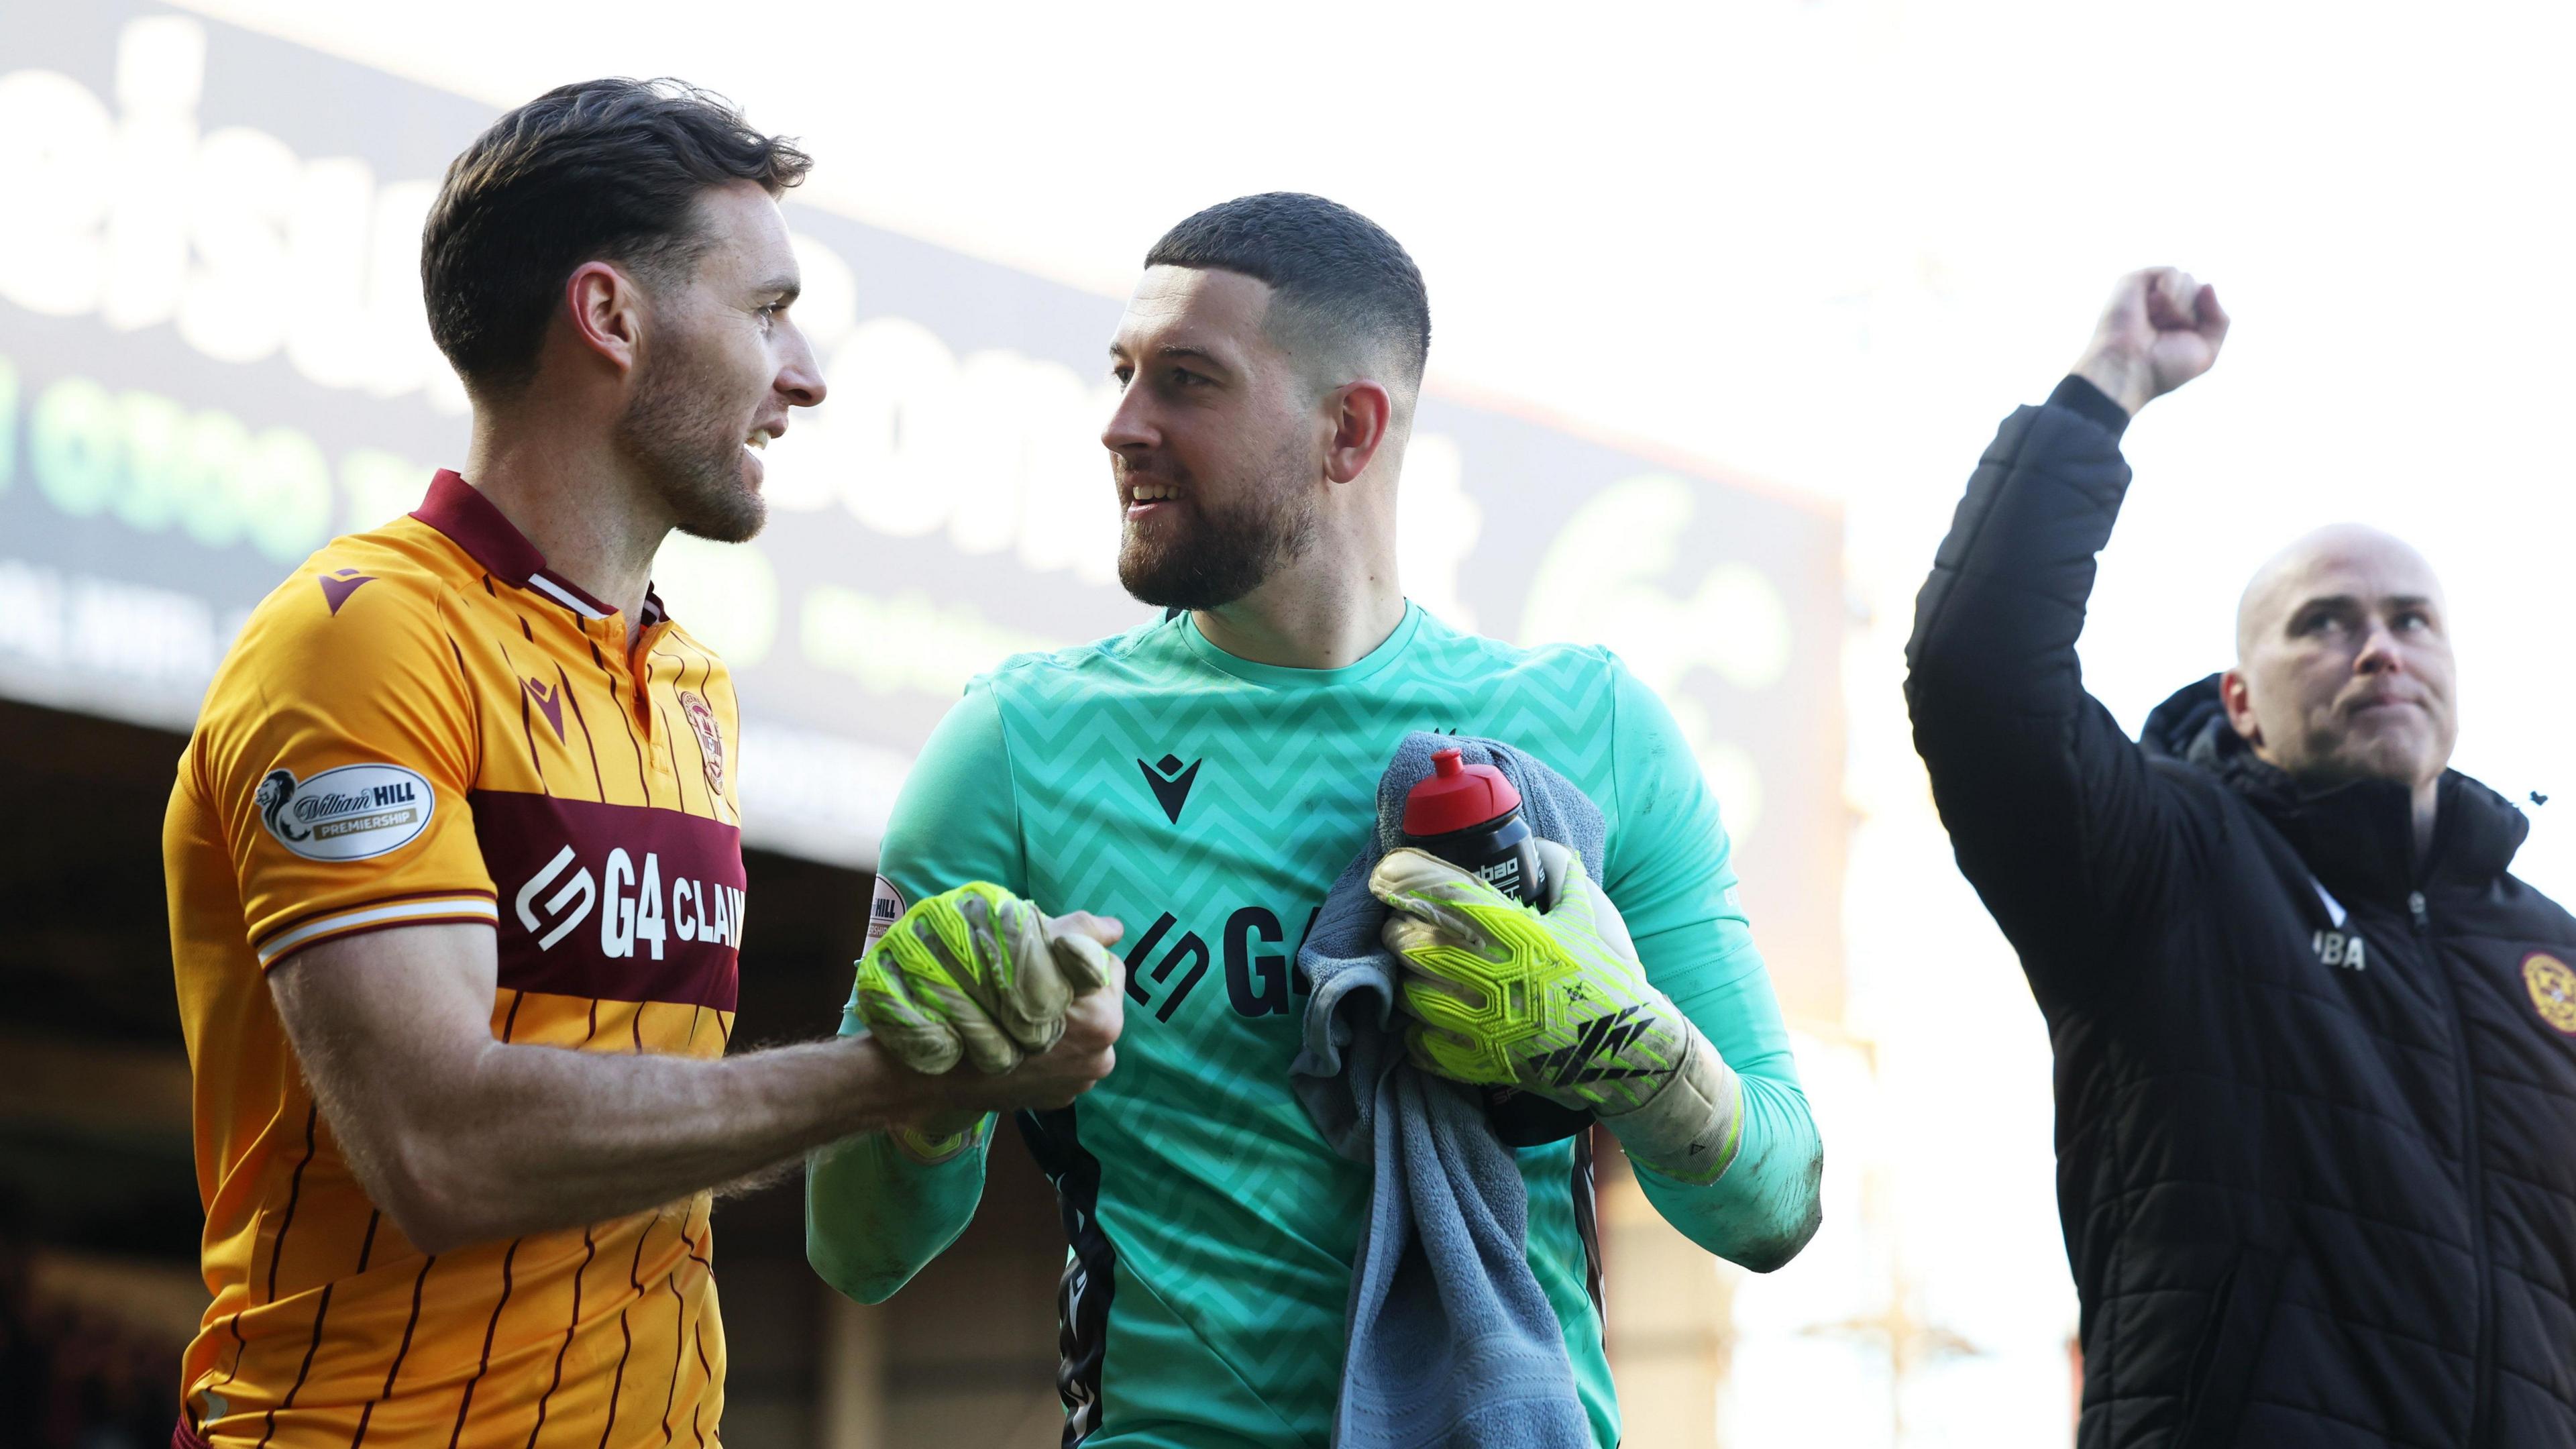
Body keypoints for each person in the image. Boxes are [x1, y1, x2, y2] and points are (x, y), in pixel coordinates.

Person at [161, 79, 1118, 1448]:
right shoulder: (359, 644)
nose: (809, 374)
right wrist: (910, 1074)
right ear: (609, 317)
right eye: (768, 311)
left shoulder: (693, 690)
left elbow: (650, 1130)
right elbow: (446, 1146)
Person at [806, 193, 1821, 1448]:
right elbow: (854, 1250)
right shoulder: (1012, 748)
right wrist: (934, 1094)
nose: (1123, 425)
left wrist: (1626, 1048)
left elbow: (1776, 1205)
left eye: (1186, 381)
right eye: (1122, 374)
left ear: (1350, 429)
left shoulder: (1594, 729)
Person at [1907, 268, 2576, 1446]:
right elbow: (1979, 678)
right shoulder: (2165, 866)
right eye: (2325, 623)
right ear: (2242, 701)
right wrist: (2103, 392)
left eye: (2411, 621)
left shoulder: (2548, 953)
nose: (2379, 651)